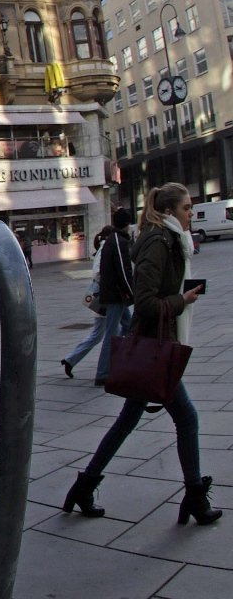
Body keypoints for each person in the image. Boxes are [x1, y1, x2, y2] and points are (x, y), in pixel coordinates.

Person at [63, 183, 220, 526]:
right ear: (168, 211)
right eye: (187, 208)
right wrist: (184, 300)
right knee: (187, 418)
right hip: (154, 347)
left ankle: (84, 485)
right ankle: (194, 496)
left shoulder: (171, 240)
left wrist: (181, 294)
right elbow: (145, 302)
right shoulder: (159, 242)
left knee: (127, 420)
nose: (191, 213)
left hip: (155, 344)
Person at [61, 209, 135, 384]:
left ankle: (117, 361)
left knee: (125, 327)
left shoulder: (111, 242)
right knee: (106, 334)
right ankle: (103, 371)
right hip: (113, 296)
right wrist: (131, 293)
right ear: (126, 224)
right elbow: (122, 272)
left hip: (112, 295)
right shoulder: (117, 243)